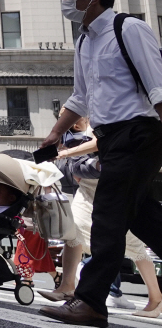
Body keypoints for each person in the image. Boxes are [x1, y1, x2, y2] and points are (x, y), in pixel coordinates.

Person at [39, 0, 162, 328]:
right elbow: (80, 97)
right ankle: (89, 300)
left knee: (108, 214)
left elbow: (157, 87)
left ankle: (91, 302)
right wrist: (54, 135)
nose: (65, 2)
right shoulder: (84, 41)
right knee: (140, 215)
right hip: (110, 139)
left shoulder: (129, 29)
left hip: (140, 132)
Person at [42, 116, 162, 317]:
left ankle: (155, 297)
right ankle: (75, 290)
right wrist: (58, 137)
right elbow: (78, 100)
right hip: (91, 190)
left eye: (68, 115)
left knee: (134, 236)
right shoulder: (95, 114)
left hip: (115, 180)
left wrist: (66, 152)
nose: (65, 118)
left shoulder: (118, 113)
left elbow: (102, 141)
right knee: (78, 233)